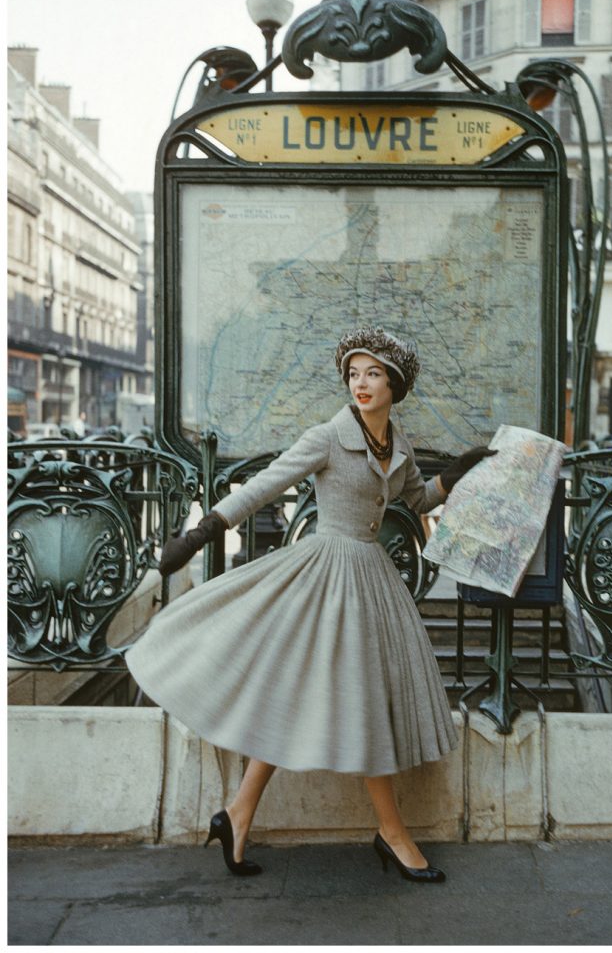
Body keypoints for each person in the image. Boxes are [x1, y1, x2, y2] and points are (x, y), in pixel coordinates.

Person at [126, 327, 494, 883]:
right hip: (326, 575)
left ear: (394, 385)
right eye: (354, 374)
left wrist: (458, 472)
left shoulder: (399, 445)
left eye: (373, 374)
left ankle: (237, 814)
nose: (361, 384)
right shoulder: (327, 436)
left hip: (370, 577)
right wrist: (202, 533)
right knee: (361, 697)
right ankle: (392, 834)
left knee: (302, 696)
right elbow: (264, 488)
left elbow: (417, 499)